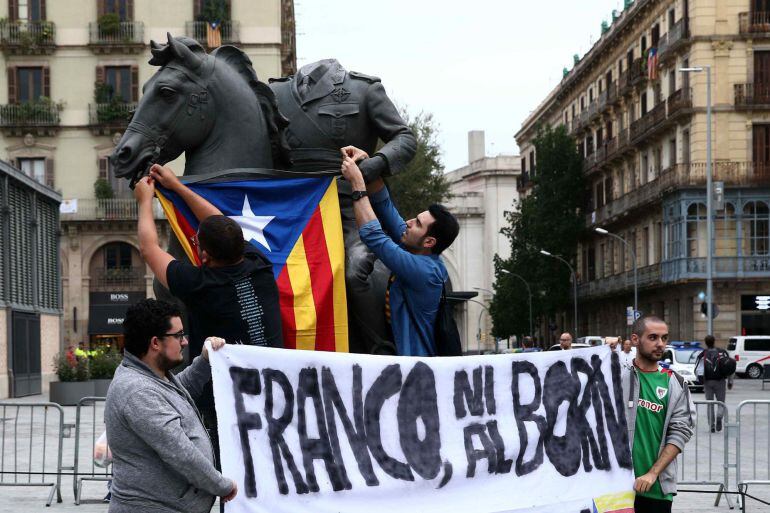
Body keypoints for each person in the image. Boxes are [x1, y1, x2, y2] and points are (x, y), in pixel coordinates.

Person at [134, 164, 283, 460]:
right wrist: (177, 186)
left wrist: (143, 200)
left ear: (203, 255)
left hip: (223, 403)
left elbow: (149, 249)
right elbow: (220, 221)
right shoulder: (260, 263)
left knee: (228, 475)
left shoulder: (199, 284)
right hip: (273, 393)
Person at [270, 59, 418, 355]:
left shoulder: (364, 90)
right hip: (291, 209)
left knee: (354, 272)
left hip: (347, 206)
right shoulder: (276, 93)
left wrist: (371, 167)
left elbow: (405, 138)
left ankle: (379, 347)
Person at [105, 299, 236, 513]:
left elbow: (177, 393)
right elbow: (180, 452)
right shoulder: (138, 390)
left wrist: (204, 360)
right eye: (178, 335)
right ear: (155, 343)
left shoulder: (151, 376)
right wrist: (222, 486)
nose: (184, 342)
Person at [339, 146, 459, 356]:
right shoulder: (416, 247)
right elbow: (384, 205)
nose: (409, 222)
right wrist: (366, 162)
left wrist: (358, 183)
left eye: (418, 223)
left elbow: (373, 235)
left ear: (429, 241)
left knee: (354, 275)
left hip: (413, 369)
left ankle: (376, 344)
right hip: (405, 364)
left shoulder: (425, 271)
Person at [625, 316, 695, 513]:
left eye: (664, 338)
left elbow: (680, 433)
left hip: (655, 488)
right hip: (615, 488)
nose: (660, 344)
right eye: (653, 337)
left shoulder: (676, 384)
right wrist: (606, 353)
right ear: (635, 339)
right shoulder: (618, 375)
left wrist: (652, 474)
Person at [694, 334, 734, 433]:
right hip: (720, 381)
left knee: (710, 404)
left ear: (706, 343)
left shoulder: (703, 354)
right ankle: (719, 416)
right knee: (721, 402)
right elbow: (729, 366)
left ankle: (711, 425)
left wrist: (701, 381)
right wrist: (730, 381)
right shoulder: (722, 353)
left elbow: (697, 369)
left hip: (708, 382)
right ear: (714, 341)